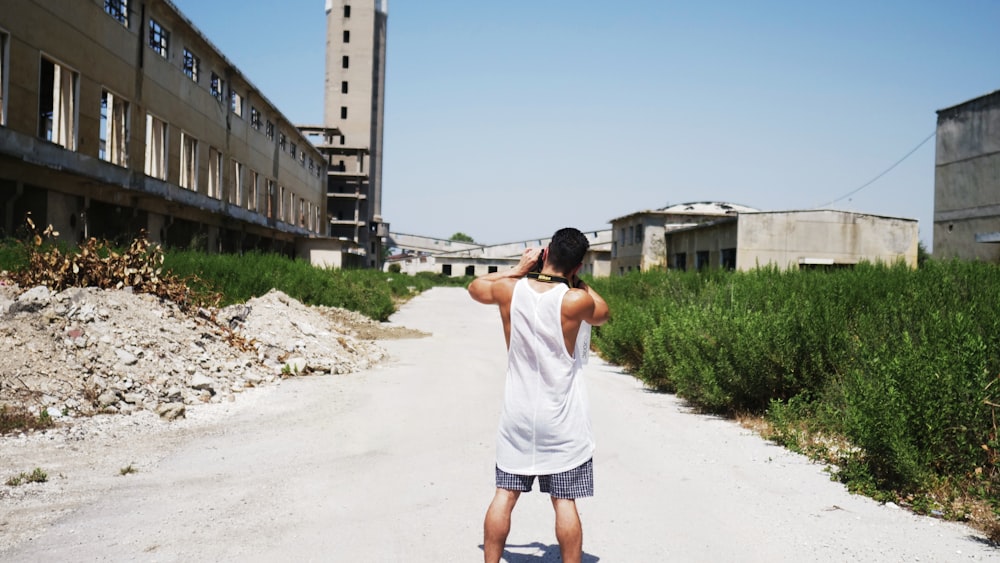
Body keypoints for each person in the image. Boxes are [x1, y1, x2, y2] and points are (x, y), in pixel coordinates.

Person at [468, 227, 610, 563]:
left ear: (545, 254)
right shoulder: (576, 300)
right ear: (577, 266)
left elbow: (474, 288)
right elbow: (603, 314)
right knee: (564, 501)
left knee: (505, 494)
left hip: (516, 413)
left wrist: (518, 269)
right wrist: (578, 281)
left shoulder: (508, 289)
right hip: (561, 417)